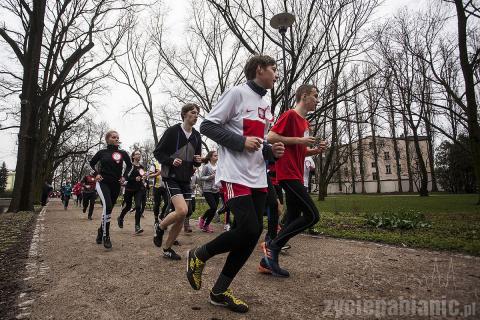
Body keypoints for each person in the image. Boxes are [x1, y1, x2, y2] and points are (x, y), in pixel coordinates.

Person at [186, 54, 284, 313]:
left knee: (251, 235)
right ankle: (199, 255)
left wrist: (270, 152)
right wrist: (240, 142)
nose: (276, 74)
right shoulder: (237, 93)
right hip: (234, 175)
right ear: (259, 69)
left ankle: (219, 292)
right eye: (273, 69)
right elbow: (207, 126)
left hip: (258, 177)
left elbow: (260, 144)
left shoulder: (266, 103)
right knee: (249, 228)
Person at [259, 84, 327, 277]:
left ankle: (266, 261)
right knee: (312, 216)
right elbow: (270, 137)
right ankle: (273, 245)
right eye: (315, 96)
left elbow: (301, 150)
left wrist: (315, 150)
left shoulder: (306, 123)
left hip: (297, 172)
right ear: (304, 96)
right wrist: (299, 140)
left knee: (292, 216)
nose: (317, 100)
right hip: (287, 172)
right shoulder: (290, 115)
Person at [153, 103, 202, 260]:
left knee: (182, 216)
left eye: (197, 114)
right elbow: (158, 152)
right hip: (171, 177)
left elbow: (196, 160)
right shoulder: (173, 131)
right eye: (193, 113)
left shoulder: (197, 136)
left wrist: (198, 160)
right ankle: (160, 227)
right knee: (182, 211)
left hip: (185, 178)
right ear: (184, 114)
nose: (196, 116)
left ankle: (167, 248)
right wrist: (170, 160)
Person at [89, 130, 132, 249]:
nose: (117, 139)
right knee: (107, 206)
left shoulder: (123, 153)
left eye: (118, 137)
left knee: (109, 209)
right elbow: (91, 164)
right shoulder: (102, 152)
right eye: (114, 137)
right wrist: (96, 174)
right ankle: (106, 236)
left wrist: (124, 177)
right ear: (107, 139)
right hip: (103, 183)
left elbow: (129, 166)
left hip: (116, 184)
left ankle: (100, 230)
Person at [117, 150, 146, 234]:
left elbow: (142, 176)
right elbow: (126, 177)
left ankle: (137, 226)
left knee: (138, 206)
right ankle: (121, 217)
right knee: (128, 207)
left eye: (140, 154)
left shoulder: (141, 167)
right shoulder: (130, 166)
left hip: (138, 189)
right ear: (133, 156)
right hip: (129, 189)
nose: (139, 155)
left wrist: (143, 177)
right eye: (137, 154)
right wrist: (134, 179)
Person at [198, 150, 220, 233]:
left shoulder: (219, 166)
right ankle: (202, 218)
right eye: (215, 155)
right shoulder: (207, 166)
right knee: (213, 207)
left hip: (216, 189)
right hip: (207, 190)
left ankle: (206, 225)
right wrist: (210, 176)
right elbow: (201, 177)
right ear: (210, 157)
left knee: (214, 209)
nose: (217, 157)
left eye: (217, 155)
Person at [149, 159, 169, 231]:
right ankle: (156, 220)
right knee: (157, 204)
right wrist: (157, 174)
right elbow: (150, 175)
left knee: (168, 202)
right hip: (157, 187)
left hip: (165, 187)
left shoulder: (167, 163)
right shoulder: (155, 164)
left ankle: (162, 215)